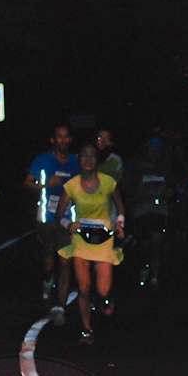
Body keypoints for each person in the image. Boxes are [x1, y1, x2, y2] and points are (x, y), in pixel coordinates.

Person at [56, 144, 126, 345]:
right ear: (79, 161)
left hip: (103, 239)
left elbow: (120, 207)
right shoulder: (71, 185)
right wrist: (69, 224)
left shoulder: (108, 182)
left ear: (97, 160)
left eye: (92, 156)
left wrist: (119, 223)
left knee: (103, 290)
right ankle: (86, 330)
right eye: (84, 156)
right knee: (84, 287)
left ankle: (104, 299)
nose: (87, 159)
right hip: (82, 239)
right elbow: (59, 215)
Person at [24, 125, 79, 325]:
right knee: (49, 264)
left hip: (68, 220)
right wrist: (46, 185)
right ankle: (48, 281)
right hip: (46, 219)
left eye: (66, 137)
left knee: (65, 262)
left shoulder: (76, 161)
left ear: (70, 139)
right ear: (53, 140)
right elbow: (27, 182)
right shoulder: (42, 160)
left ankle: (60, 307)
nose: (63, 140)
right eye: (59, 137)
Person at [123, 138, 172, 290]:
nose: (155, 152)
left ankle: (155, 277)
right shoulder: (136, 168)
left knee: (156, 242)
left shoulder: (164, 169)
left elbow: (171, 189)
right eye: (152, 149)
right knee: (144, 244)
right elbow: (127, 188)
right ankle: (144, 267)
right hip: (141, 211)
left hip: (159, 210)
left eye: (157, 149)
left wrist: (168, 193)